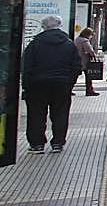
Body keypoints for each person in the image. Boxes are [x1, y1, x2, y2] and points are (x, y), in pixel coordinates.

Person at [23, 15, 83, 153]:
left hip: (37, 84)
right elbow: (76, 66)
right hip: (62, 84)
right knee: (60, 113)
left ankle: (37, 144)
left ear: (43, 27)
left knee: (36, 114)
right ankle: (58, 143)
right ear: (59, 26)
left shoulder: (35, 44)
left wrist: (26, 86)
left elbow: (26, 66)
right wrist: (70, 83)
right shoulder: (69, 44)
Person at [74, 27, 101, 96]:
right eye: (91, 35)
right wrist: (94, 56)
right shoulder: (85, 41)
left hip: (76, 60)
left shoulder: (77, 39)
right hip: (84, 61)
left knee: (74, 76)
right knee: (89, 77)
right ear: (88, 34)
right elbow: (90, 51)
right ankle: (89, 91)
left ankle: (69, 90)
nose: (91, 37)